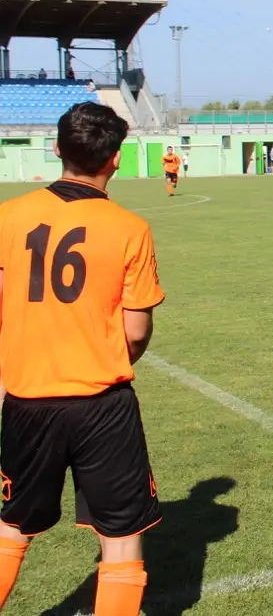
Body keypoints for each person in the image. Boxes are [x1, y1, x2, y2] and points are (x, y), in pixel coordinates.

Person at [0, 102, 165, 616]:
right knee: (121, 535)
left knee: (11, 526)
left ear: (56, 149)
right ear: (116, 159)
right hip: (101, 404)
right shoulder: (129, 228)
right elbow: (135, 331)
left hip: (27, 399)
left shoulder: (7, 216)